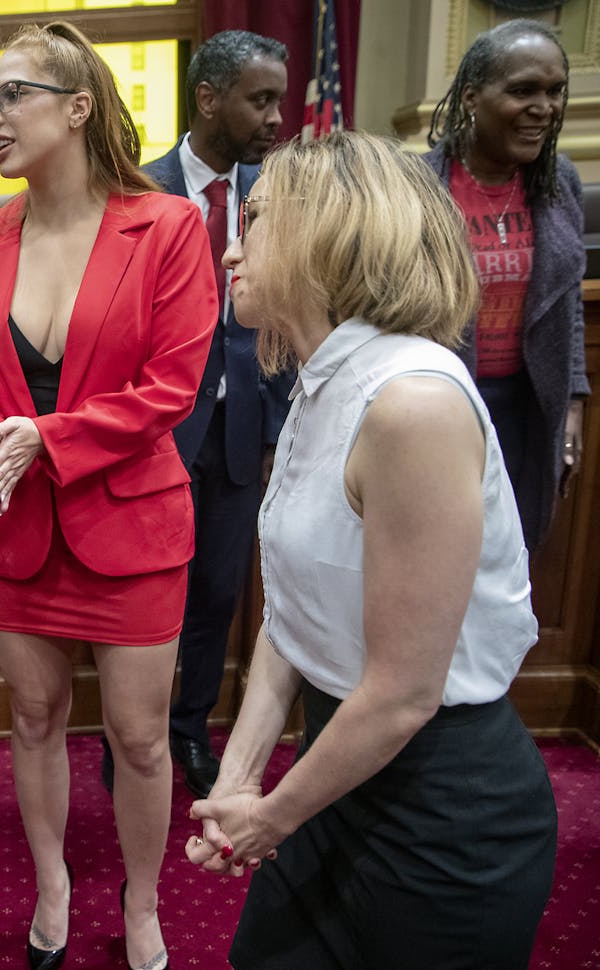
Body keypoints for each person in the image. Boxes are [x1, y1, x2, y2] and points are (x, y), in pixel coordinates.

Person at [186, 131, 557, 970]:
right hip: (336, 775)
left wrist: (272, 815)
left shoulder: (410, 403)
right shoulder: (324, 380)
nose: (232, 247)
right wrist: (240, 778)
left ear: (335, 232)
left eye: (256, 219)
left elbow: (401, 694)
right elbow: (292, 616)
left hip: (441, 819)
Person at [0, 22, 216, 970]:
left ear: (78, 107)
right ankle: (51, 881)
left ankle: (143, 904)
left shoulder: (168, 226)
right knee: (30, 720)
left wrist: (43, 438)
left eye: (12, 95)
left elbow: (171, 390)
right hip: (19, 532)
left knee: (140, 741)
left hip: (132, 527)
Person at [103, 30, 291, 799]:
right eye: (261, 98)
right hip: (154, 436)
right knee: (145, 600)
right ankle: (131, 739)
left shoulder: (277, 191)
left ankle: (188, 731)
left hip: (243, 431)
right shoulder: (137, 190)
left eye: (279, 97)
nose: (277, 116)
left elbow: (292, 315)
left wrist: (280, 425)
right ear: (209, 98)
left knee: (216, 593)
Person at [424, 19, 586, 549]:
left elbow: (569, 305)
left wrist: (573, 405)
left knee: (510, 558)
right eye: (523, 91)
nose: (544, 107)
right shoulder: (420, 186)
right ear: (472, 97)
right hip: (438, 407)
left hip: (527, 409)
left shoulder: (560, 183)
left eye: (554, 91)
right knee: (439, 554)